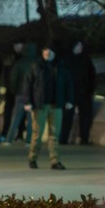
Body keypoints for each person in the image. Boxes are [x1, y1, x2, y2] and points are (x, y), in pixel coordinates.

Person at [20, 42, 70, 171]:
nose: (47, 53)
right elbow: (27, 84)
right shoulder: (35, 66)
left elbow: (68, 84)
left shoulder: (61, 66)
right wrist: (27, 102)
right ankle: (32, 158)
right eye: (45, 51)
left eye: (49, 51)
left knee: (54, 134)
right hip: (39, 105)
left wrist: (69, 100)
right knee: (37, 133)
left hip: (56, 104)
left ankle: (55, 161)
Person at [62, 40, 97, 146]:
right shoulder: (66, 59)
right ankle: (63, 139)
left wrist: (91, 89)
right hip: (70, 93)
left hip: (84, 93)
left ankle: (84, 138)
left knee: (86, 116)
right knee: (67, 117)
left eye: (81, 45)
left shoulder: (86, 59)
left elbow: (92, 75)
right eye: (78, 45)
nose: (80, 47)